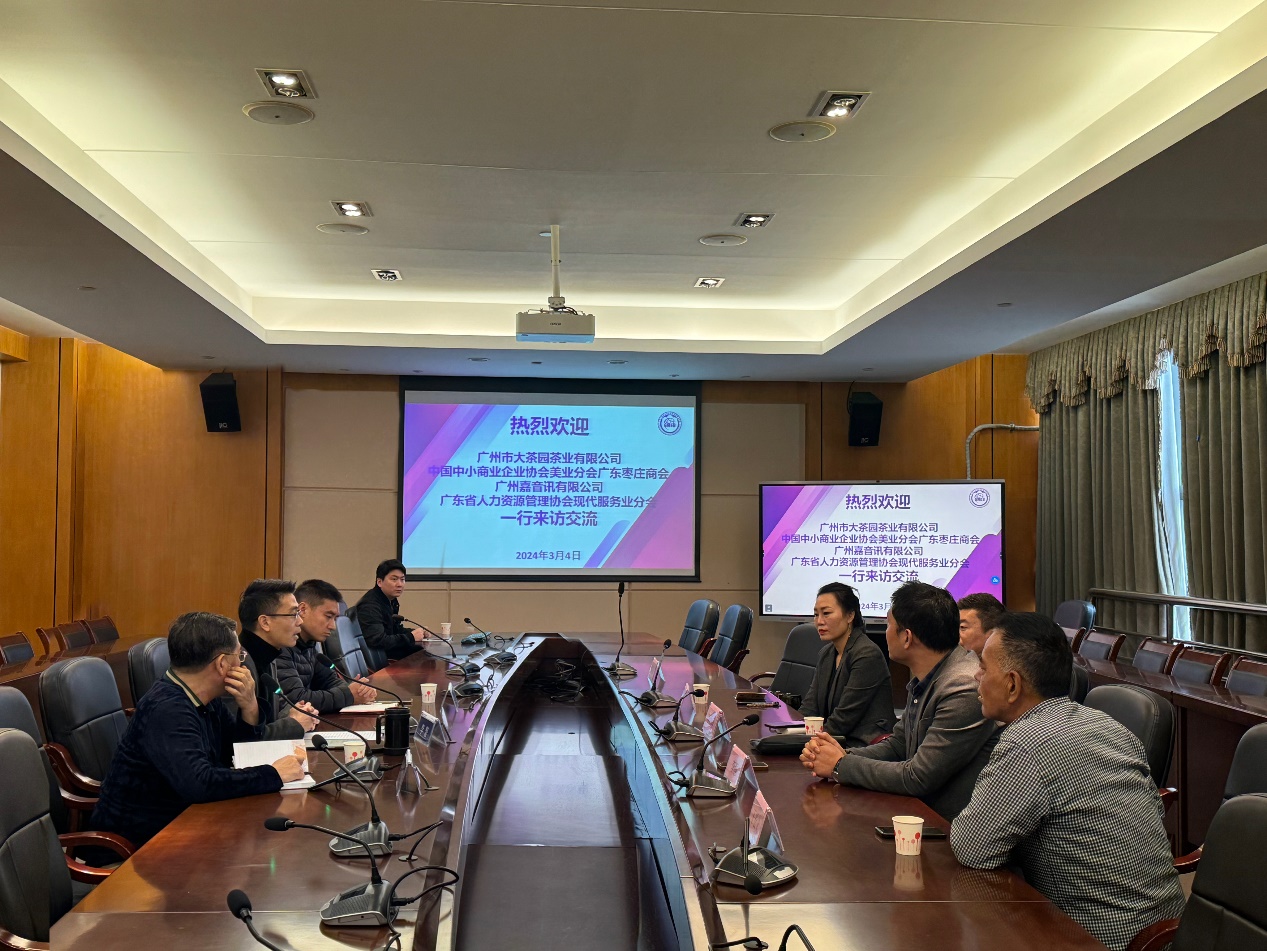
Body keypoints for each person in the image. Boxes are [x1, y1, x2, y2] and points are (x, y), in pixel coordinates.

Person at [951, 612, 1185, 951]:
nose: (976, 676)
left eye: (984, 668)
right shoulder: (1109, 726)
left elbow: (972, 847)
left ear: (1013, 684)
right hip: (1168, 931)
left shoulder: (1026, 743)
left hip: (1098, 937)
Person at [91, 612, 305, 846]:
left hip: (185, 828)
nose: (241, 663)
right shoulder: (167, 709)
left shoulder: (203, 697)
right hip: (138, 848)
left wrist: (250, 706)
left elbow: (235, 755)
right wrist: (273, 774)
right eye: (239, 656)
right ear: (222, 664)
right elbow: (200, 784)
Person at [800, 580, 997, 820]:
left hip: (944, 825)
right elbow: (898, 745)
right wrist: (840, 755)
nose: (885, 633)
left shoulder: (962, 687)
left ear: (907, 637)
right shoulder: (929, 675)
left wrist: (840, 765)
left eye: (888, 626)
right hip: (915, 811)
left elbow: (918, 777)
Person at [796, 582, 894, 746]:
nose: (819, 621)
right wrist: (792, 731)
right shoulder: (826, 653)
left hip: (862, 744)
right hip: (833, 738)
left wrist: (809, 743)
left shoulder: (867, 654)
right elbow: (810, 707)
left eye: (826, 613)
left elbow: (844, 718)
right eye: (816, 615)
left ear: (850, 615)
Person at [276, 579, 377, 714]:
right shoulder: (281, 647)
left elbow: (330, 681)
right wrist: (348, 695)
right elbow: (297, 699)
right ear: (302, 610)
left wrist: (356, 691)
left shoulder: (309, 645)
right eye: (328, 616)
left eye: (335, 619)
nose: (333, 626)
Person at [238, 579, 317, 739]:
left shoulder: (270, 653)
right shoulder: (238, 665)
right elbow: (243, 738)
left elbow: (272, 715)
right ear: (265, 622)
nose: (300, 621)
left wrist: (295, 712)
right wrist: (295, 724)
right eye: (294, 614)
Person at [353, 559, 426, 661]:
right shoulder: (370, 606)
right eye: (394, 579)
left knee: (425, 651)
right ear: (379, 582)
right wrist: (411, 637)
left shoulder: (390, 601)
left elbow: (394, 630)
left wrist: (417, 632)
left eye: (402, 579)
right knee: (423, 655)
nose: (399, 584)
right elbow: (378, 640)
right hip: (382, 660)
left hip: (387, 653)